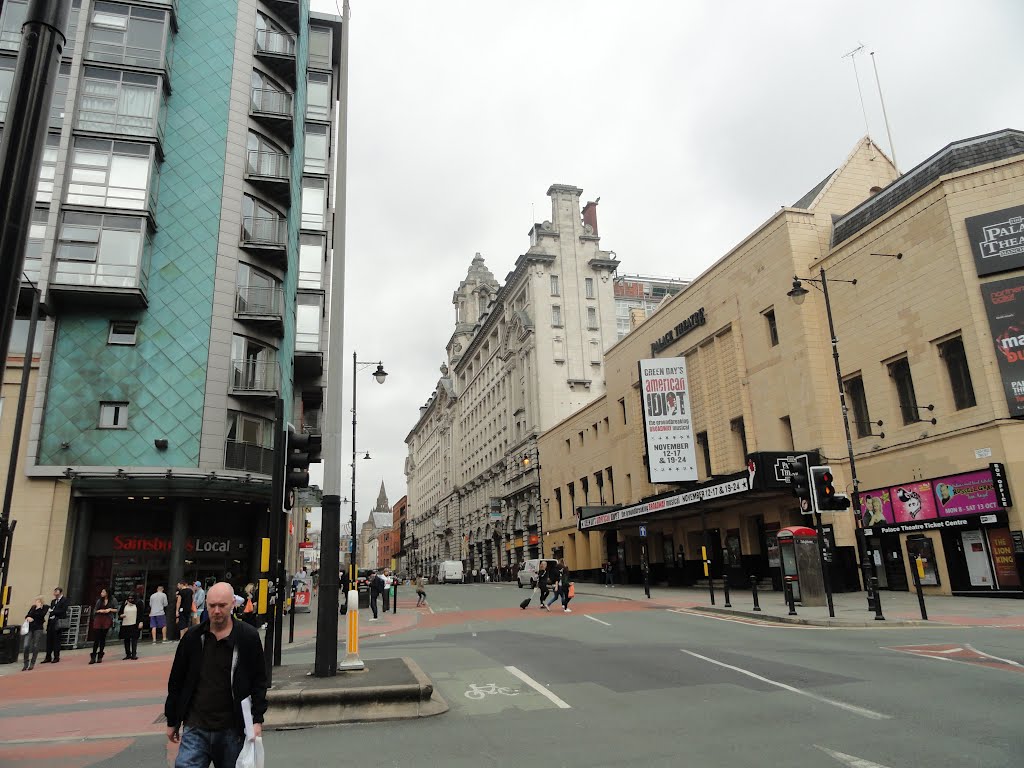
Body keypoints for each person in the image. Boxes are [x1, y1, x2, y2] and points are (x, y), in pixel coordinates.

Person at [165, 582, 267, 768]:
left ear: (233, 604)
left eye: (222, 605)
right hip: (196, 726)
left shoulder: (247, 637)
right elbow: (177, 680)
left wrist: (257, 720)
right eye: (212, 606)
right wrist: (172, 719)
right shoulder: (193, 637)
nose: (217, 611)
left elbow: (259, 680)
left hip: (232, 729)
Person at [90, 588, 118, 664]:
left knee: (103, 637)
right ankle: (93, 656)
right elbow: (95, 610)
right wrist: (100, 611)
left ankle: (100, 655)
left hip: (107, 618)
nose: (101, 593)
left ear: (107, 593)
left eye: (103, 592)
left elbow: (116, 609)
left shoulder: (113, 600)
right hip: (99, 618)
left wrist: (110, 609)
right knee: (96, 638)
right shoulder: (99, 601)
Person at [41, 587, 67, 664]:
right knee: (49, 640)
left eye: (57, 591)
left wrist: (53, 611)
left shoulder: (64, 600)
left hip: (58, 622)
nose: (55, 592)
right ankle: (48, 656)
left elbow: (63, 611)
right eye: (54, 591)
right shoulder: (53, 601)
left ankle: (56, 656)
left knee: (56, 640)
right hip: (51, 622)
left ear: (60, 592)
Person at [22, 596, 48, 671]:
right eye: (36, 601)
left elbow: (41, 616)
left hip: (38, 629)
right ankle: (25, 663)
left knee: (35, 646)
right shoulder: (33, 607)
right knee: (26, 645)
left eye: (38, 601)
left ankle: (32, 663)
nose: (36, 602)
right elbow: (27, 615)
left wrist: (39, 608)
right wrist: (28, 618)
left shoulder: (44, 608)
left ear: (41, 602)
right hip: (30, 628)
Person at [120, 593, 144, 660]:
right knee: (126, 639)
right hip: (126, 623)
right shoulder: (124, 604)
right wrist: (121, 616)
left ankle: (134, 654)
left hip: (134, 623)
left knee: (134, 639)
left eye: (132, 599)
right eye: (129, 599)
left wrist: (141, 622)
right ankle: (128, 654)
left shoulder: (138, 603)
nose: (130, 600)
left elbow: (141, 613)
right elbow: (120, 613)